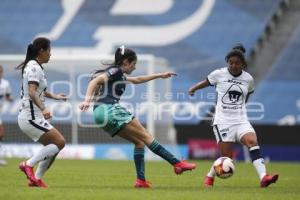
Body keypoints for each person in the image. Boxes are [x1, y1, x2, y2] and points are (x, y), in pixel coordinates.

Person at [79, 45, 196, 188]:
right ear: (126, 62)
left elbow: (137, 79)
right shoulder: (115, 70)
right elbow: (95, 81)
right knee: (146, 136)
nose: (134, 67)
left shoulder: (119, 74)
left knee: (139, 142)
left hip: (100, 114)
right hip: (109, 110)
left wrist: (159, 75)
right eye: (133, 64)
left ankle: (141, 181)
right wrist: (86, 100)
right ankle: (177, 163)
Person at [188, 44, 278, 188]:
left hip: (241, 120)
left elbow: (246, 96)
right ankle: (209, 176)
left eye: (237, 63)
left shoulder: (248, 79)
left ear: (243, 64)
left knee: (252, 142)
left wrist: (240, 108)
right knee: (227, 158)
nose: (233, 66)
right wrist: (193, 89)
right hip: (223, 122)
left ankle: (263, 177)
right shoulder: (219, 74)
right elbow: (206, 82)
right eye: (231, 63)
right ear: (227, 63)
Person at [16, 37, 67, 188]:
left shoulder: (36, 66)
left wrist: (55, 97)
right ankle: (28, 164)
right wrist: (44, 108)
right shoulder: (33, 67)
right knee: (59, 142)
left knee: (55, 146)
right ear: (41, 51)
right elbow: (32, 92)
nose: (50, 54)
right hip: (29, 116)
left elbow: (39, 91)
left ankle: (35, 180)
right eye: (49, 50)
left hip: (33, 115)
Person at [0, 65, 13, 166]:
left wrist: (10, 99)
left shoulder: (5, 84)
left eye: (1, 72)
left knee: (1, 133)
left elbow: (8, 95)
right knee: (1, 132)